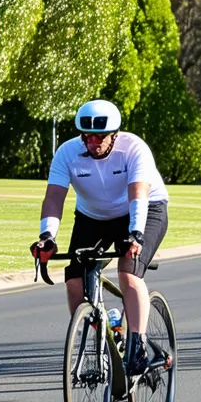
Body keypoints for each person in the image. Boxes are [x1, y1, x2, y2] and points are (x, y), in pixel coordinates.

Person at [31, 99, 169, 376]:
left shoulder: (134, 149)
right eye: (88, 136)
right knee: (73, 280)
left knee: (128, 274)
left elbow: (138, 194)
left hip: (144, 210)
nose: (93, 142)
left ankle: (138, 345)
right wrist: (47, 236)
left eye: (100, 137)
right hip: (93, 217)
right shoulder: (67, 152)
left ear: (114, 135)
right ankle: (98, 334)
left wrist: (135, 235)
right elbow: (55, 197)